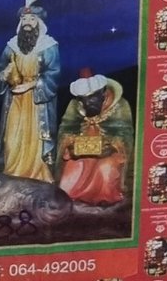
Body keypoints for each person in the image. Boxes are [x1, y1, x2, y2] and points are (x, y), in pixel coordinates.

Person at [0, 0, 60, 181]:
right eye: (24, 19)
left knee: (35, 137)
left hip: (37, 100)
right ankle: (13, 172)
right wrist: (4, 74)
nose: (27, 23)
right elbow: (0, 69)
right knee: (12, 137)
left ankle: (37, 174)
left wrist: (32, 84)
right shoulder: (11, 46)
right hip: (15, 98)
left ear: (39, 22)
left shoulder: (49, 46)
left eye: (32, 19)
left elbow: (53, 74)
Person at [55, 74, 134, 206]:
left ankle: (105, 198)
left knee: (106, 168)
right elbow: (66, 129)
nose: (87, 103)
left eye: (92, 98)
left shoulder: (120, 105)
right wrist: (71, 145)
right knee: (72, 167)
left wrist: (112, 145)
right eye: (83, 99)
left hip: (109, 153)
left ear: (103, 93)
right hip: (81, 151)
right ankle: (73, 197)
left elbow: (124, 134)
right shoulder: (74, 105)